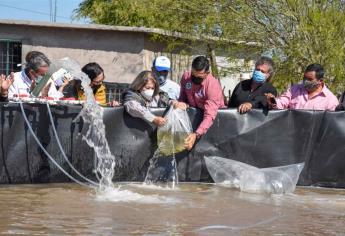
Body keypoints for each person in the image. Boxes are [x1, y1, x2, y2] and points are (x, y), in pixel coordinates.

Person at [173, 56, 225, 150]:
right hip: (195, 118)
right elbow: (182, 98)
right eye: (193, 74)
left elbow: (210, 115)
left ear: (207, 73)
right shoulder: (186, 77)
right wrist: (182, 104)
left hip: (214, 122)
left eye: (199, 77)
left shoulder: (212, 85)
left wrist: (196, 134)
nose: (195, 78)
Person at [266, 63, 339, 111]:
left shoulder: (331, 101)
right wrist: (273, 101)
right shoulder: (294, 89)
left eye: (310, 79)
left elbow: (330, 125)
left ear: (320, 81)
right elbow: (282, 102)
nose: (306, 81)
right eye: (305, 78)